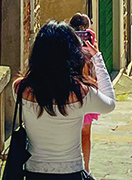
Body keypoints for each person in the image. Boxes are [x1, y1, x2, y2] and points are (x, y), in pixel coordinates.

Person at [15, 21, 116, 179]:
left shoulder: (21, 88)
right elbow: (110, 103)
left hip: (34, 172)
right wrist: (97, 57)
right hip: (71, 172)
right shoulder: (81, 93)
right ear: (72, 54)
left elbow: (41, 79)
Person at [69, 13, 100, 173]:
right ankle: (86, 168)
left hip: (69, 91)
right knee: (85, 133)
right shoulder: (90, 39)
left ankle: (73, 167)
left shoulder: (67, 39)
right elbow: (96, 60)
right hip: (86, 90)